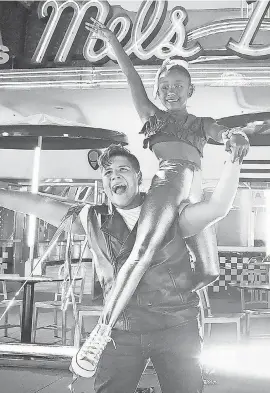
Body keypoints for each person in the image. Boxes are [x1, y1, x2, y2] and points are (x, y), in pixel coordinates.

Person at [73, 18, 250, 371]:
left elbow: (222, 130)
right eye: (165, 85)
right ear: (158, 91)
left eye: (178, 84)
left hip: (193, 189)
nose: (171, 89)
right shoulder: (152, 117)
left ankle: (162, 304)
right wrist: (113, 43)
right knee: (142, 250)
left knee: (210, 270)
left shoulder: (200, 124)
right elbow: (131, 78)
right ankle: (102, 332)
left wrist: (234, 136)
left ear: (190, 90)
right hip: (170, 182)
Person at [0, 143, 241, 392]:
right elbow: (37, 204)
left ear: (138, 177)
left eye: (122, 169)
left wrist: (233, 162)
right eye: (107, 173)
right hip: (120, 331)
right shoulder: (91, 218)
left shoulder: (171, 212)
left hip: (176, 327)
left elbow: (216, 211)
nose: (114, 175)